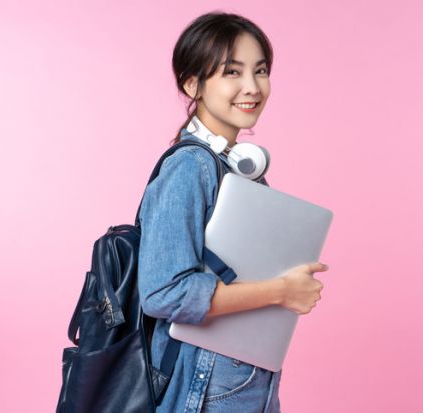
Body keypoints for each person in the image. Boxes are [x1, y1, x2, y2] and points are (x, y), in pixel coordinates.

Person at [137, 11, 328, 413]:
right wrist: (281, 291)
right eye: (232, 72)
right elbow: (162, 292)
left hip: (243, 373)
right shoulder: (190, 167)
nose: (252, 87)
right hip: (206, 382)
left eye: (260, 71)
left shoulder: (234, 165)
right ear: (194, 84)